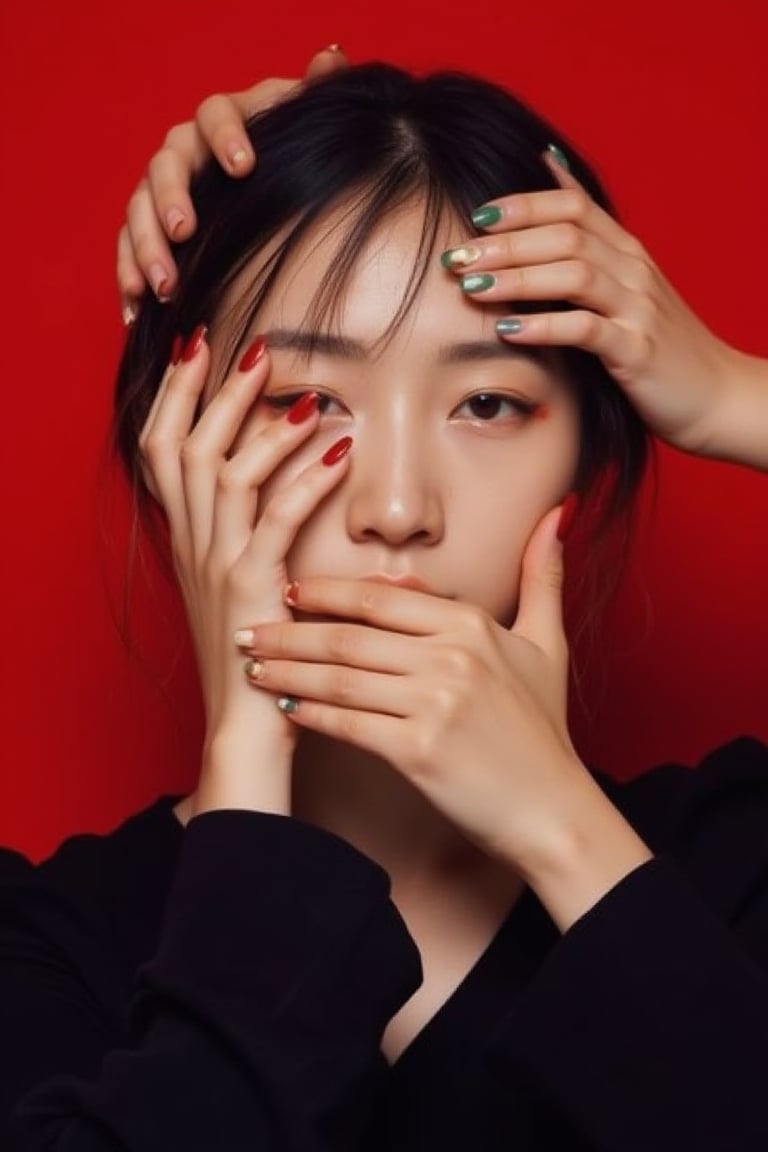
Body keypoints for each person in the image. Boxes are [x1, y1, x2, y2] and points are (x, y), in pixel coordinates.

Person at [2, 53, 768, 1152]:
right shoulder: (47, 943)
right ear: (174, 448)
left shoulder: (729, 862)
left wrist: (735, 394)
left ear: (587, 467)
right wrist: (249, 786)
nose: (397, 506)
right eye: (309, 398)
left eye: (491, 401)